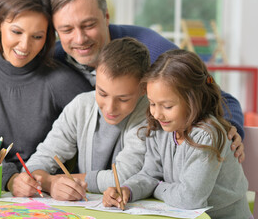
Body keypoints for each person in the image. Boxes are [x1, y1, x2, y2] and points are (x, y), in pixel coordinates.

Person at [0, 0, 245, 159]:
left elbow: (221, 98)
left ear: (106, 17)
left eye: (89, 24)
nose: (79, 39)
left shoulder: (151, 51)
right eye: (66, 29)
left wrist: (231, 127)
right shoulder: (50, 56)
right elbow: (4, 85)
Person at [0, 0, 92, 190]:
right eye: (16, 32)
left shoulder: (60, 79)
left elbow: (102, 123)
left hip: (47, 191)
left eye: (37, 37)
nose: (24, 46)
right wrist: (12, 180)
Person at [102, 49, 252, 219]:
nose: (157, 114)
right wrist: (127, 189)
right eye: (152, 104)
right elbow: (150, 175)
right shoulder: (160, 129)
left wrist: (157, 187)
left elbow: (190, 199)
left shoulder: (207, 135)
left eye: (167, 106)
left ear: (193, 100)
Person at [14, 37, 150, 201]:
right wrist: (49, 182)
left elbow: (123, 177)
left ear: (144, 89)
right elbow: (38, 162)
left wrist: (59, 180)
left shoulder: (150, 114)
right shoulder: (81, 106)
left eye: (123, 99)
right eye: (102, 93)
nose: (110, 108)